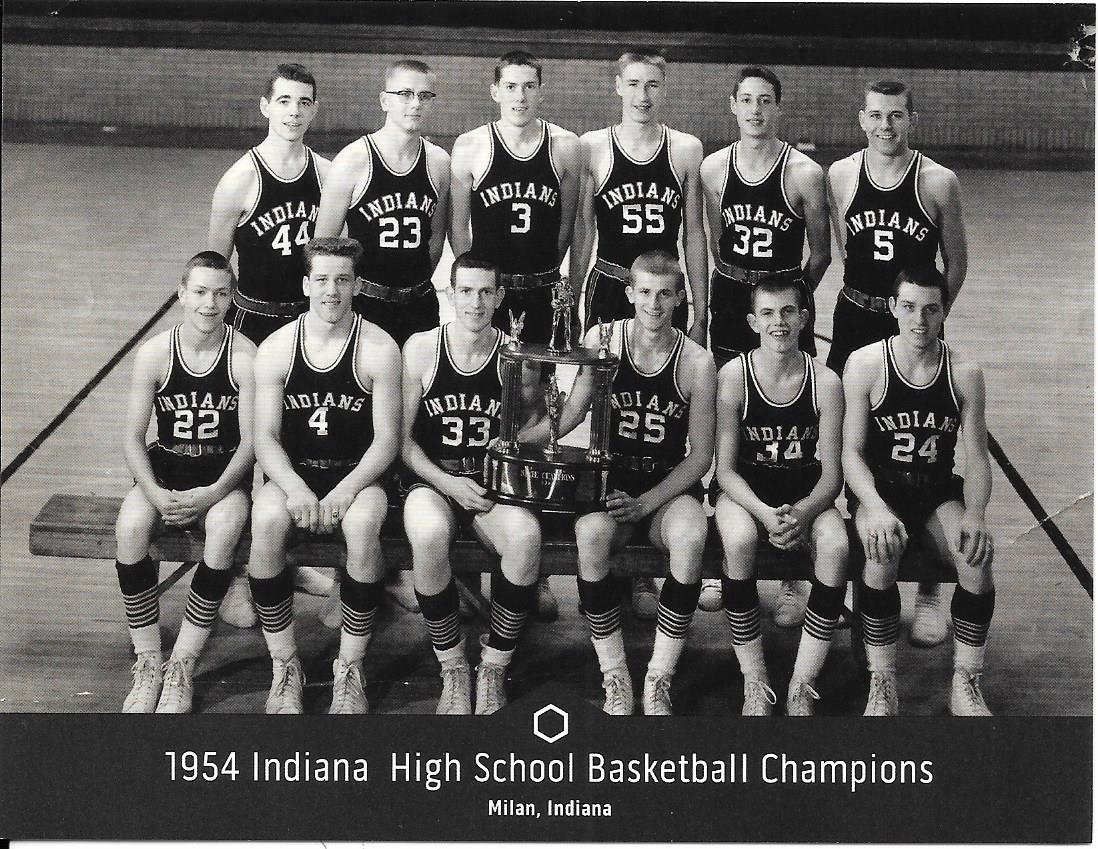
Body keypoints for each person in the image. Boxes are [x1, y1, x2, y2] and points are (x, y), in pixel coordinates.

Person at [524, 250, 716, 715]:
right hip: (610, 483)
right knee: (589, 535)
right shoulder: (603, 339)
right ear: (629, 293)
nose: (654, 304)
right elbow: (572, 410)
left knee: (692, 536)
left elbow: (700, 458)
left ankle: (659, 676)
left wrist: (647, 503)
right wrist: (517, 439)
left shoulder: (697, 361)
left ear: (679, 299)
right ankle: (615, 675)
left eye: (665, 294)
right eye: (645, 293)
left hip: (666, 488)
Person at [827, 80, 969, 646]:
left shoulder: (938, 181)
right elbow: (842, 248)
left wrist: (925, 323)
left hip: (912, 325)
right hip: (854, 318)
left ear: (911, 119)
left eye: (897, 116)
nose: (886, 125)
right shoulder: (840, 175)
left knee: (925, 443)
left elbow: (956, 263)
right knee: (845, 440)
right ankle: (837, 579)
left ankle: (931, 586)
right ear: (861, 119)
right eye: (877, 116)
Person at [570, 50, 708, 617]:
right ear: (617, 87)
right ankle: (619, 545)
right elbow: (582, 226)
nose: (643, 95)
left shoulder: (685, 149)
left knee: (663, 400)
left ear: (664, 87)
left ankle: (650, 555)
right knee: (608, 411)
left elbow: (694, 231)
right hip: (610, 287)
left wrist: (699, 300)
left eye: (653, 84)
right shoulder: (593, 146)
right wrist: (572, 296)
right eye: (633, 84)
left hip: (665, 287)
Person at [449, 49, 581, 620]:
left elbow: (569, 229)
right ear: (495, 91)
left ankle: (539, 569)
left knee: (536, 424)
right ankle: (475, 561)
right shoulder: (472, 147)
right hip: (490, 299)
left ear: (541, 91)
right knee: (482, 415)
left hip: (541, 295)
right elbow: (459, 234)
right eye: (512, 86)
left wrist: (547, 288)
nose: (521, 96)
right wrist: (486, 295)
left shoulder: (566, 147)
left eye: (531, 86)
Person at [247, 237, 401, 714]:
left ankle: (349, 668)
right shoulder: (276, 348)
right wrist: (294, 489)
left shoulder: (379, 347)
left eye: (342, 280)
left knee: (360, 527)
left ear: (357, 285)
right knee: (267, 523)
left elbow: (387, 441)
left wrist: (344, 491)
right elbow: (265, 437)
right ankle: (285, 665)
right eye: (322, 280)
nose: (331, 291)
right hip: (296, 476)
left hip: (359, 480)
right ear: (305, 284)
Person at [699, 66, 831, 617]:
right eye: (746, 100)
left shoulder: (803, 172)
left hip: (782, 306)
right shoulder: (712, 168)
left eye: (765, 101)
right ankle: (722, 545)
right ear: (732, 105)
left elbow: (821, 252)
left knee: (793, 422)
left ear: (779, 107)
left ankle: (795, 568)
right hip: (731, 304)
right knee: (723, 418)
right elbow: (714, 237)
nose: (755, 110)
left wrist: (789, 309)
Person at [208, 62, 333, 626]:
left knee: (300, 435)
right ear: (265, 107)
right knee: (253, 445)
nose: (293, 112)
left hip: (306, 326)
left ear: (314, 110)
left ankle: (286, 558)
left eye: (303, 102)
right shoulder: (239, 179)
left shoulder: (329, 174)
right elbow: (217, 266)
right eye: (283, 101)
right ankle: (240, 576)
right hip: (256, 325)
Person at [842, 266, 994, 716]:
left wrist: (977, 514)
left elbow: (978, 459)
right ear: (893, 308)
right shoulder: (867, 364)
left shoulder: (965, 373)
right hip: (880, 489)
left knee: (975, 558)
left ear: (945, 310)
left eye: (931, 309)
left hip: (936, 490)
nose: (920, 321)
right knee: (880, 550)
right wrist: (872, 505)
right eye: (909, 308)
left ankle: (966, 682)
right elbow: (851, 453)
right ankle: (882, 680)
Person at [401, 253, 544, 714]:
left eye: (486, 292)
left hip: (493, 486)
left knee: (526, 538)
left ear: (500, 297)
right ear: (450, 294)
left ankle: (493, 667)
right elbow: (402, 444)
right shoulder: (422, 349)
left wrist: (513, 448)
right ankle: (453, 668)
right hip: (433, 480)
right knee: (428, 534)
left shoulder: (517, 355)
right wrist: (448, 482)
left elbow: (542, 426)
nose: (476, 302)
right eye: (466, 291)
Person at [115, 252, 255, 713]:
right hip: (167, 469)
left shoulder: (245, 355)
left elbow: (253, 443)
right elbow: (134, 438)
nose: (209, 303)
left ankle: (183, 663)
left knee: (225, 528)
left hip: (221, 476)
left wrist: (215, 493)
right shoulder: (155, 352)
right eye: (200, 292)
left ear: (232, 297)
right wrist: (154, 492)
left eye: (220, 293)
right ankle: (148, 659)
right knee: (131, 527)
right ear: (181, 293)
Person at [712, 278, 847, 716]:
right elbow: (726, 471)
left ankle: (803, 682)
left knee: (837, 546)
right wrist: (765, 514)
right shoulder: (733, 375)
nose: (779, 323)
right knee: (737, 541)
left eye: (789, 312)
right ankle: (755, 677)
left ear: (805, 318)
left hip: (806, 494)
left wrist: (805, 513)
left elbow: (833, 474)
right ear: (753, 322)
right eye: (768, 314)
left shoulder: (825, 382)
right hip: (748, 495)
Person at [314, 59, 450, 348]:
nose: (415, 104)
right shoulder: (353, 160)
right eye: (405, 94)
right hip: (366, 305)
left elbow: (435, 237)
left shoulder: (438, 162)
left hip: (419, 305)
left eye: (424, 96)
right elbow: (323, 244)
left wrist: (412, 284)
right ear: (384, 100)